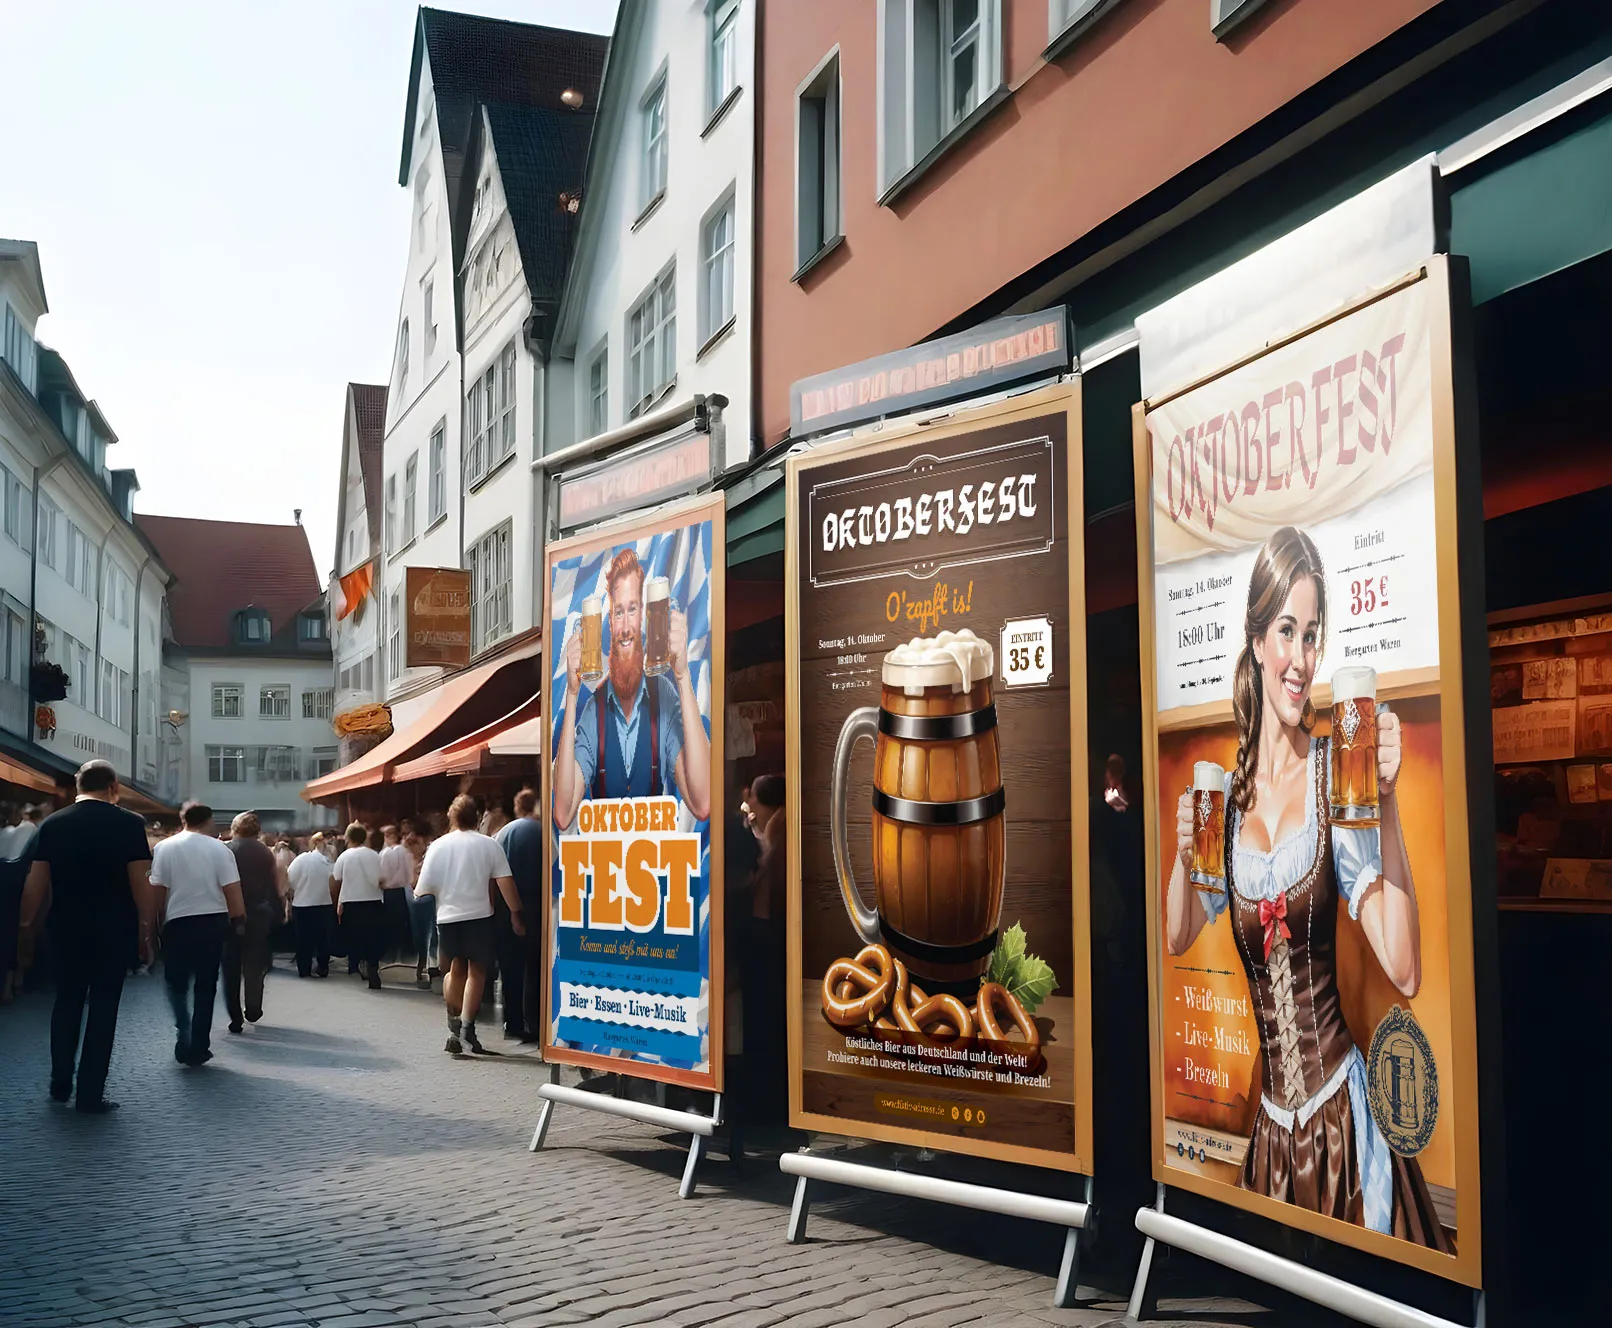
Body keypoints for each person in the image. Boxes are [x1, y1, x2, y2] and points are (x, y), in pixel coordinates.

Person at [1165, 526, 1447, 1249]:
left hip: (1346, 1134)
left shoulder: (1336, 777)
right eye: (1286, 631)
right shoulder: (1222, 806)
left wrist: (1384, 800)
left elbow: (1406, 969)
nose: (1300, 659)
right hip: (1271, 1142)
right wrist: (1182, 846)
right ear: (1256, 639)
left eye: (1313, 635)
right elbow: (1175, 934)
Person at [18, 762, 152, 1112]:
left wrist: (26, 926)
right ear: (113, 787)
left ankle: (60, 1081)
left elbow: (36, 883)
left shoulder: (53, 824)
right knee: (104, 1008)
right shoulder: (130, 825)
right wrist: (147, 929)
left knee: (66, 1003)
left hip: (65, 928)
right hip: (113, 930)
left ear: (77, 786)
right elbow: (141, 883)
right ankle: (90, 1093)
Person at [552, 547, 712, 830]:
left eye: (632, 610)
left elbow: (702, 803)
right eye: (618, 613)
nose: (625, 625)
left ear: (644, 617)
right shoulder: (594, 710)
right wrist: (572, 693)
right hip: (604, 871)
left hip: (653, 870)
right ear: (610, 623)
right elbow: (563, 813)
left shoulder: (663, 696)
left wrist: (684, 677)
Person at [413, 795, 524, 1056]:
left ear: (452, 817)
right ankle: (467, 1029)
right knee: (478, 973)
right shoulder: (489, 845)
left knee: (455, 969)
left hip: (448, 918)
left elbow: (421, 890)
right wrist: (516, 914)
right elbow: (505, 883)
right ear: (476, 817)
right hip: (480, 917)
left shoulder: (438, 846)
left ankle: (452, 1026)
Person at [152, 803, 244, 1066]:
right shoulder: (219, 849)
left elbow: (157, 891)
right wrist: (239, 920)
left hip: (177, 922)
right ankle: (199, 1044)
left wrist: (152, 925)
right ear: (209, 820)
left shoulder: (164, 848)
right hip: (212, 922)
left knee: (176, 983)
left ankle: (184, 1030)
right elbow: (232, 891)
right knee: (206, 984)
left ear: (182, 820)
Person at [739, 774, 787, 1120]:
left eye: (752, 797)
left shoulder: (775, 829)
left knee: (760, 1006)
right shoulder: (778, 824)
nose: (748, 801)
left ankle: (761, 1089)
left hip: (762, 925)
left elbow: (756, 876)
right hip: (770, 927)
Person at [223, 813, 282, 1032]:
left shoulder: (226, 849)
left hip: (230, 913)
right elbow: (272, 884)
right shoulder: (265, 852)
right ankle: (253, 1005)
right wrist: (278, 911)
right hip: (259, 913)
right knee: (254, 962)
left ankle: (235, 1015)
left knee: (230, 965)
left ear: (234, 828)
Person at [494, 789, 543, 1041]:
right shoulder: (540, 833)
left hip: (503, 910)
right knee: (534, 968)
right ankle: (534, 1024)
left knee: (509, 968)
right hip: (535, 909)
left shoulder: (500, 834)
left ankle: (511, 1022)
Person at [333, 822, 385, 989]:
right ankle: (372, 967)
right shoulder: (374, 855)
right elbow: (381, 877)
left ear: (348, 838)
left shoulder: (345, 856)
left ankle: (355, 966)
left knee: (355, 936)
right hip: (373, 900)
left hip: (351, 901)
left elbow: (337, 877)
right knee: (373, 937)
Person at [288, 833, 335, 978]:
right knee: (323, 939)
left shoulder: (300, 860)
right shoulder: (327, 862)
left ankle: (304, 969)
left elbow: (290, 879)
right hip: (323, 903)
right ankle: (323, 967)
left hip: (302, 904)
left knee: (303, 939)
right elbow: (333, 883)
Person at [404, 824, 436, 988]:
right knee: (420, 935)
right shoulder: (408, 857)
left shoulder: (428, 855)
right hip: (414, 899)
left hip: (425, 900)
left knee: (426, 935)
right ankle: (422, 966)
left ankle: (425, 967)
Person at [377, 824, 414, 967]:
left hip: (387, 893)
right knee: (401, 924)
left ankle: (390, 956)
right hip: (401, 892)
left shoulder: (384, 853)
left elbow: (381, 876)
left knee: (389, 924)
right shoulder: (404, 852)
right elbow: (409, 874)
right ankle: (401, 955)